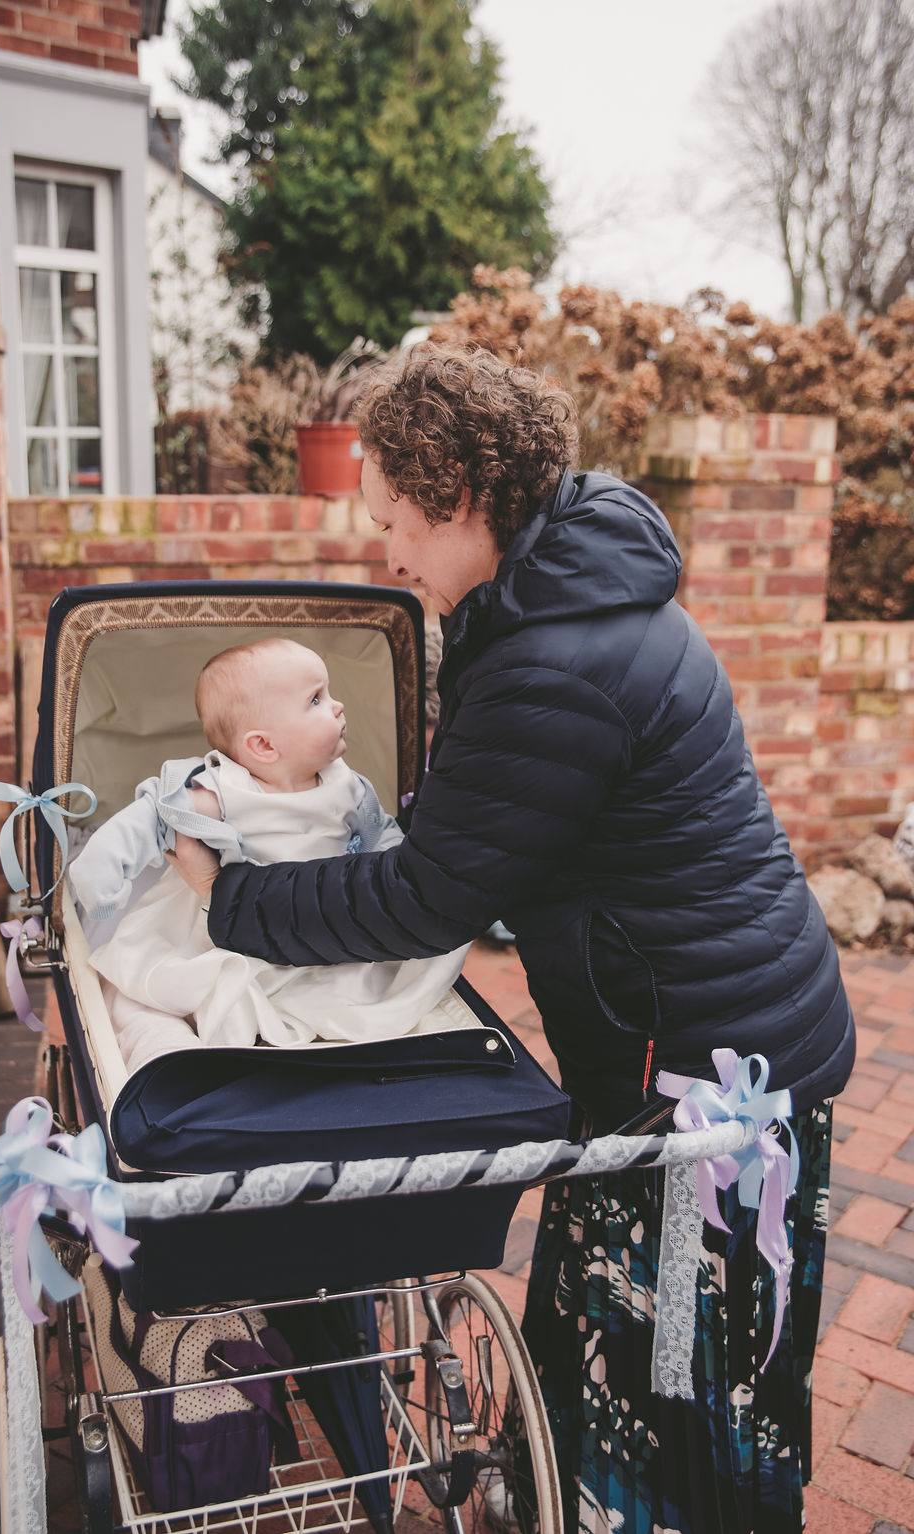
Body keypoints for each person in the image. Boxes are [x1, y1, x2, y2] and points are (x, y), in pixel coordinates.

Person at [167, 344, 855, 1534]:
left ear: (463, 499)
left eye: (396, 522)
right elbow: (481, 824)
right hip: (706, 1032)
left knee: (676, 1364)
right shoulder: (563, 590)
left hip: (702, 1078)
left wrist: (228, 901)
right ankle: (579, 1497)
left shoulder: (551, 658)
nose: (385, 551)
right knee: (637, 1325)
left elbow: (427, 899)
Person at [68, 637, 468, 1071]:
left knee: (352, 990)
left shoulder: (347, 786)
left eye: (329, 693)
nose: (338, 707)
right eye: (316, 699)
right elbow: (147, 820)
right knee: (148, 993)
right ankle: (165, 1059)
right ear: (263, 746)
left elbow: (383, 840)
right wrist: (101, 884)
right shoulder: (224, 791)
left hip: (314, 933)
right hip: (220, 936)